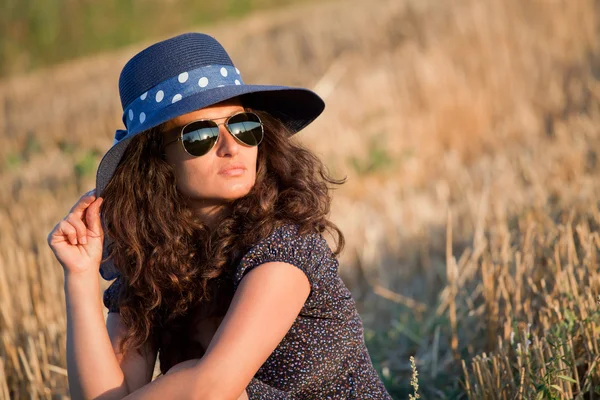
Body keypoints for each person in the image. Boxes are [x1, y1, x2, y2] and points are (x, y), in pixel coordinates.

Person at [47, 32, 392, 400]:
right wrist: (80, 277)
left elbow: (211, 390)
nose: (231, 148)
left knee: (189, 379)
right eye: (200, 136)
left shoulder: (286, 246)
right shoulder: (152, 267)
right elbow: (107, 394)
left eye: (243, 127)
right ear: (157, 160)